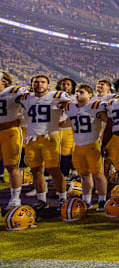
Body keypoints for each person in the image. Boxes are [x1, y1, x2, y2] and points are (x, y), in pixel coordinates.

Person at [17, 75, 72, 210]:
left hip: (49, 138)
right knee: (36, 171)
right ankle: (41, 199)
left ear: (48, 85)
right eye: (36, 82)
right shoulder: (26, 97)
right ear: (31, 84)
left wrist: (63, 120)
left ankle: (62, 198)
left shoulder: (57, 96)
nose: (39, 84)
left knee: (54, 170)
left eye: (42, 82)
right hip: (31, 138)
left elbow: (71, 109)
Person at [60, 84, 109, 210]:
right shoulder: (71, 107)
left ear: (90, 95)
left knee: (98, 174)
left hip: (92, 144)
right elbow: (67, 122)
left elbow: (108, 122)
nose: (77, 94)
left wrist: (106, 143)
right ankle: (86, 200)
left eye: (81, 92)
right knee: (84, 175)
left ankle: (102, 200)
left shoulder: (95, 106)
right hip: (77, 145)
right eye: (76, 92)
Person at [0, 71, 28, 210]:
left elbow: (29, 103)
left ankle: (15, 198)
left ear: (4, 81)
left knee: (12, 166)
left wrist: (23, 118)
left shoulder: (13, 91)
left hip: (9, 131)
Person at [56, 78, 77, 178]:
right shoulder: (55, 97)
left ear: (72, 87)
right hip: (55, 128)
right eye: (63, 84)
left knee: (67, 154)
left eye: (68, 84)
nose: (65, 86)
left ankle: (65, 175)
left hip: (68, 129)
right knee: (54, 154)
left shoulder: (75, 98)